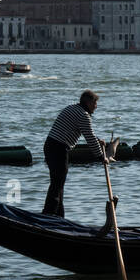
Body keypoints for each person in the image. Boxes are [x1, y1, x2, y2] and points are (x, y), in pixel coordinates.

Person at [43, 90, 117, 218]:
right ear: (88, 103)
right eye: (95, 103)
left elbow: (87, 132)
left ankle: (58, 216)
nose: (96, 106)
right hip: (58, 148)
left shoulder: (72, 108)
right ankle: (48, 216)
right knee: (57, 184)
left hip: (50, 146)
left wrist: (97, 140)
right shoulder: (83, 115)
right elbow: (89, 137)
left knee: (58, 184)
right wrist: (102, 157)